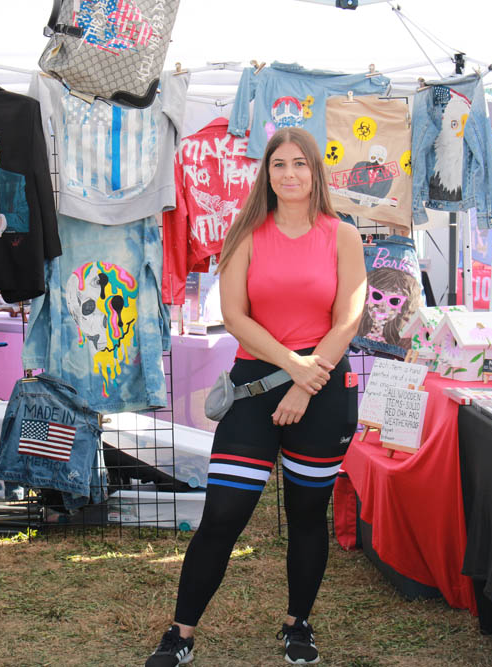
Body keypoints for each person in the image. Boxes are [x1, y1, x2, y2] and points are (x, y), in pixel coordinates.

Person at [145, 127, 365, 666]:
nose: (289, 174)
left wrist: (306, 383)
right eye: (278, 165)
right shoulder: (245, 234)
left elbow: (349, 318)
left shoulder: (343, 235)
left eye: (299, 164)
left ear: (315, 171)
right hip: (256, 389)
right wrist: (293, 368)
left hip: (323, 392)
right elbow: (236, 318)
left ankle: (297, 624)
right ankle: (180, 634)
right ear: (265, 174)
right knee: (223, 514)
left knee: (307, 513)